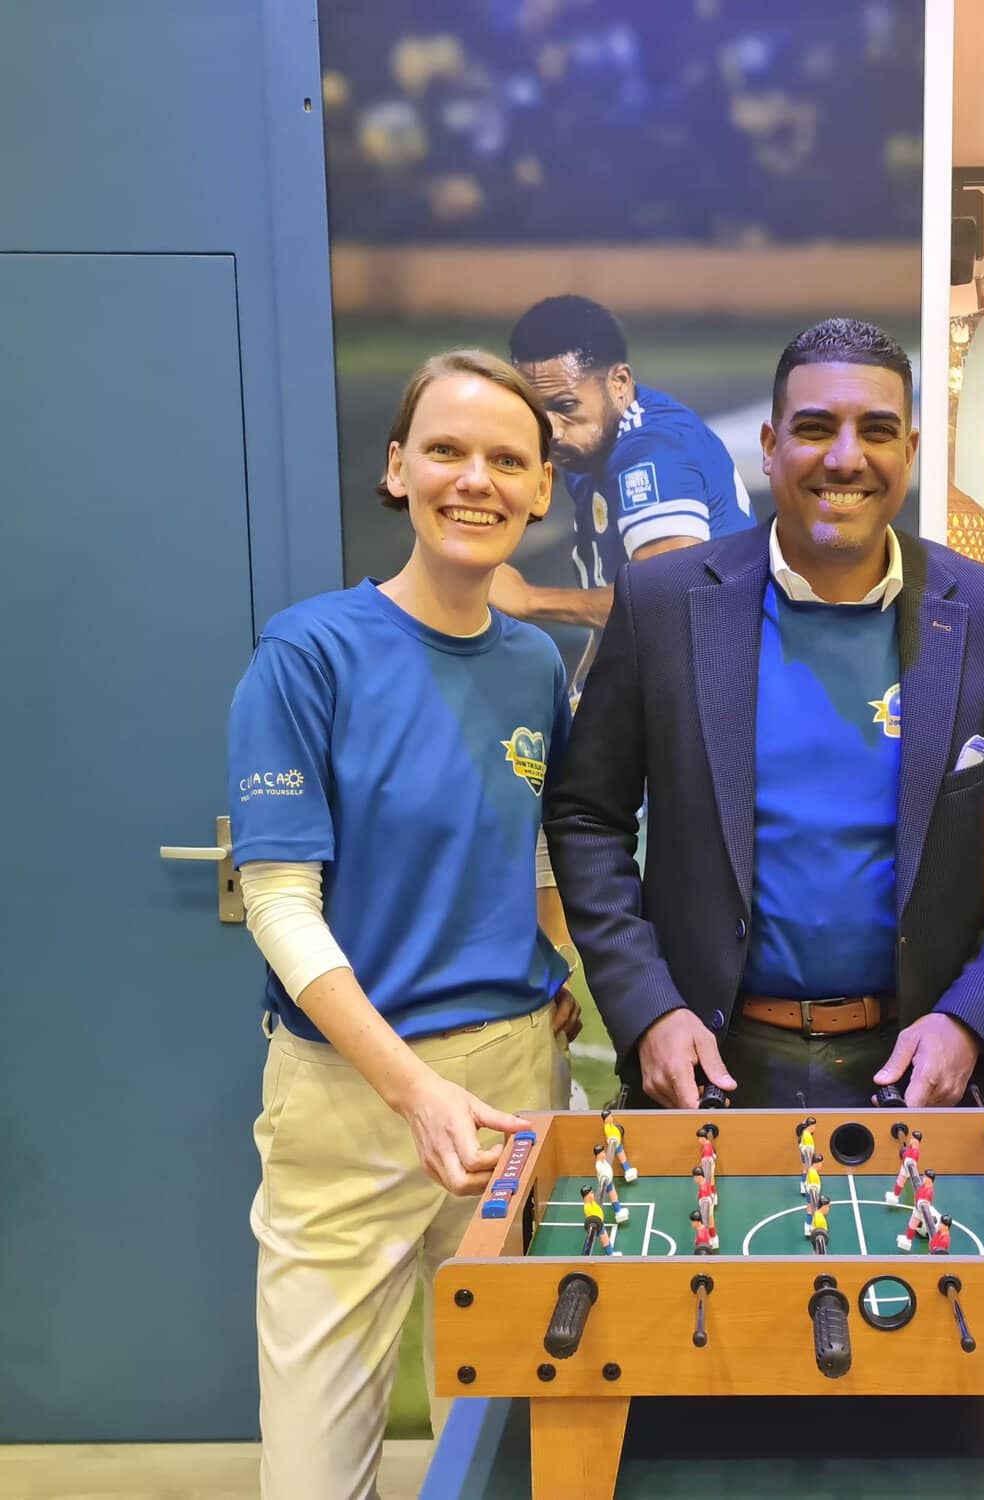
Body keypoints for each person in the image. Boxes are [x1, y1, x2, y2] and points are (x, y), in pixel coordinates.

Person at [544, 318, 984, 1109]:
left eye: (876, 431)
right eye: (814, 428)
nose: (845, 457)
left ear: (908, 449)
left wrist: (971, 1020)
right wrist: (648, 1007)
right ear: (769, 447)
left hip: (917, 1073)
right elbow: (586, 815)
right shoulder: (661, 605)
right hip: (707, 1067)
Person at [228, 349, 580, 1500]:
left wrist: (565, 995)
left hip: (517, 1088)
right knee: (318, 1471)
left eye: (507, 460)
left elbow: (532, 850)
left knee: (508, 1449)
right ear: (397, 469)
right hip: (350, 1100)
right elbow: (281, 900)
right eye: (446, 449)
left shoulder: (537, 666)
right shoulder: (308, 654)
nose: (473, 479)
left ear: (538, 491)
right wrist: (413, 1091)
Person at [489, 294, 756, 644]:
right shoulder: (591, 441)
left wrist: (530, 599)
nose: (551, 429)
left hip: (719, 679)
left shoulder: (651, 451)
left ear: (619, 383)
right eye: (537, 410)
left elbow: (667, 602)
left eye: (565, 404)